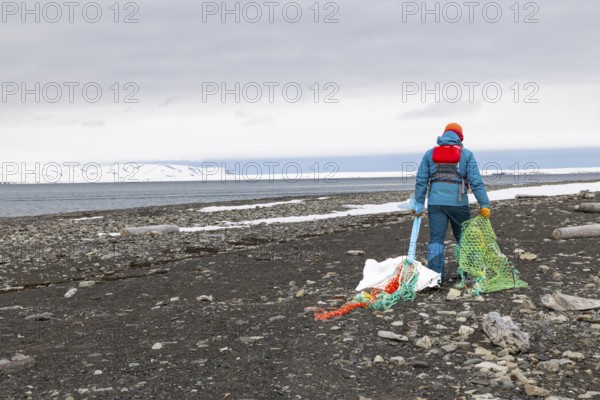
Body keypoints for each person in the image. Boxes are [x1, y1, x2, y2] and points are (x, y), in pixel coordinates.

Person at [412, 122, 491, 285]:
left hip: (435, 204)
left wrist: (419, 204)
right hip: (459, 204)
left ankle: (434, 278)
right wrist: (484, 204)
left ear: (444, 135)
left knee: (436, 240)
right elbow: (476, 182)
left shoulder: (429, 154)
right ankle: (466, 274)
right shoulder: (466, 155)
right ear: (460, 137)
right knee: (463, 238)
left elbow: (421, 181)